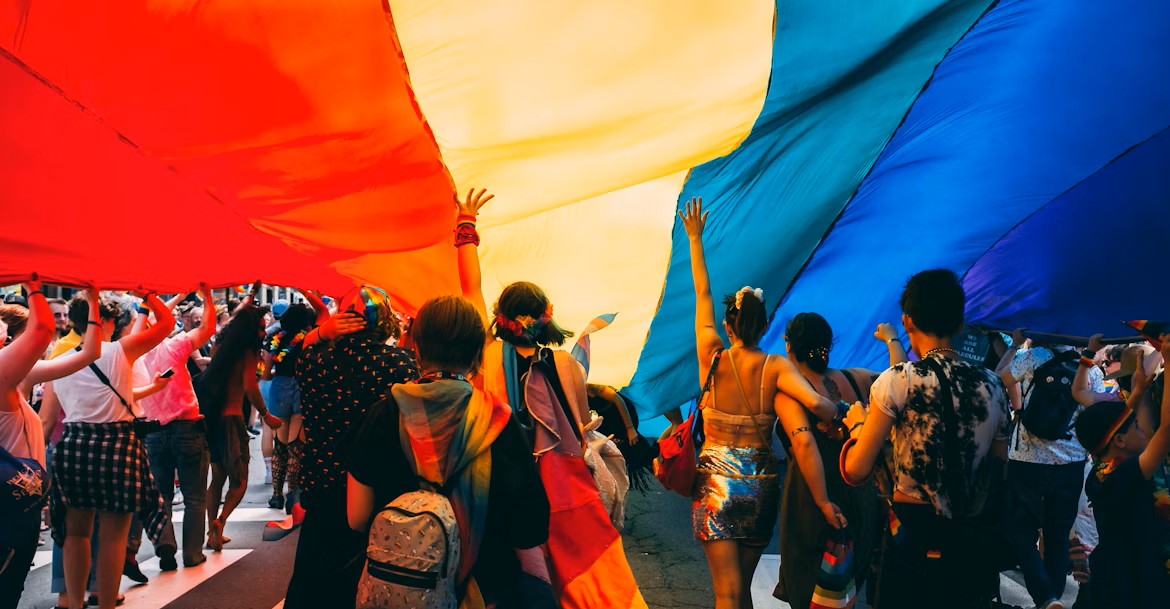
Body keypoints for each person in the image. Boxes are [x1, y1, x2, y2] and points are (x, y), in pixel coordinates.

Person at [674, 198, 842, 609]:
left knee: (725, 595)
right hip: (760, 485)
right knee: (742, 592)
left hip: (714, 481)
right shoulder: (776, 367)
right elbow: (819, 406)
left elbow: (702, 292)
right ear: (765, 325)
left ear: (728, 324)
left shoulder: (711, 354)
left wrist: (695, 238)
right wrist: (837, 415)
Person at [347, 295, 550, 608]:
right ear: (476, 352)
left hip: (401, 589)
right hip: (485, 590)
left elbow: (357, 518)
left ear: (416, 346)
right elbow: (529, 528)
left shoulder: (383, 415)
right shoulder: (500, 421)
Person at [842, 269, 1012, 609]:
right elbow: (999, 468)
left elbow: (857, 469)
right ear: (961, 324)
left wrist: (857, 425)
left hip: (911, 535)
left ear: (907, 322)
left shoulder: (898, 380)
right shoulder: (993, 387)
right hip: (969, 537)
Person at [283, 286, 418, 609]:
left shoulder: (315, 362)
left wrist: (320, 332)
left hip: (323, 488)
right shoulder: (400, 364)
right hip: (377, 490)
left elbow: (297, 355)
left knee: (312, 584)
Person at [50, 291, 174, 609]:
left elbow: (47, 419)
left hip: (73, 445)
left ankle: (74, 603)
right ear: (105, 320)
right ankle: (106, 603)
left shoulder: (58, 362)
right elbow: (167, 323)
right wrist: (147, 293)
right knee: (112, 536)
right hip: (118, 443)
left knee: (76, 533)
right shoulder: (120, 350)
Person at [773, 313, 902, 609]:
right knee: (847, 589)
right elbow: (899, 377)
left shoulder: (792, 391)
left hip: (811, 499)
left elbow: (805, 442)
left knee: (808, 588)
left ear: (789, 347)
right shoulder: (855, 378)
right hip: (861, 497)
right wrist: (892, 339)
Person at [0, 280, 102, 608]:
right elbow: (43, 329)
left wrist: (94, 302)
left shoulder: (18, 377)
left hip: (20, 502)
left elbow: (90, 352)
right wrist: (33, 284)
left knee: (10, 589)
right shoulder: (3, 373)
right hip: (7, 507)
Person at [994, 328, 1101, 609]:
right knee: (1056, 538)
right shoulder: (1092, 370)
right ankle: (1050, 600)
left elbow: (999, 379)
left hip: (1026, 462)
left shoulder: (1033, 357)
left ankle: (1046, 598)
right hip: (1071, 463)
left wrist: (1014, 346)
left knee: (1020, 533)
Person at [1072, 333, 1170, 607]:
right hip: (1132, 582)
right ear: (1121, 441)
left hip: (1112, 573)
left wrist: (1138, 392)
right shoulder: (1124, 476)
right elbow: (1164, 430)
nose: (1144, 429)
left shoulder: (1102, 472)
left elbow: (1139, 425)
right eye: (1137, 426)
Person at [137, 285, 217, 571]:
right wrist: (206, 297)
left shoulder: (134, 353)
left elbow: (160, 321)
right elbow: (207, 328)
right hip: (187, 428)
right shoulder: (176, 345)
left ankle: (165, 544)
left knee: (162, 496)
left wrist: (158, 300)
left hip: (154, 432)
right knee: (195, 496)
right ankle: (193, 554)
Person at [198, 304, 282, 552]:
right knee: (240, 481)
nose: (265, 328)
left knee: (218, 477)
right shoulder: (247, 352)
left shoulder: (220, 347)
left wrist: (251, 297)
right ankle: (220, 521)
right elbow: (250, 386)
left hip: (211, 421)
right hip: (232, 421)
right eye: (262, 324)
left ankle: (211, 532)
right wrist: (266, 415)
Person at [261, 294, 327, 510]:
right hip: (300, 387)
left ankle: (276, 495)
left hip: (279, 387)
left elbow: (265, 373)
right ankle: (293, 495)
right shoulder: (309, 339)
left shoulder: (275, 339)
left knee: (279, 444)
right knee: (295, 446)